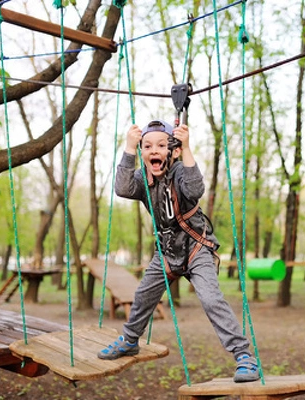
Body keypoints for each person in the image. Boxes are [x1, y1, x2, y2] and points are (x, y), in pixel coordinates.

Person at [97, 119, 260, 383]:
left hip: (196, 248)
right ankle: (129, 340)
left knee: (211, 299)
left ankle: (244, 356)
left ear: (171, 152)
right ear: (143, 153)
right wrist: (128, 148)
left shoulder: (181, 171)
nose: (154, 151)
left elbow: (195, 190)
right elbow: (122, 188)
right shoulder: (142, 178)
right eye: (147, 146)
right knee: (143, 297)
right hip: (167, 252)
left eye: (161, 145)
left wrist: (186, 148)